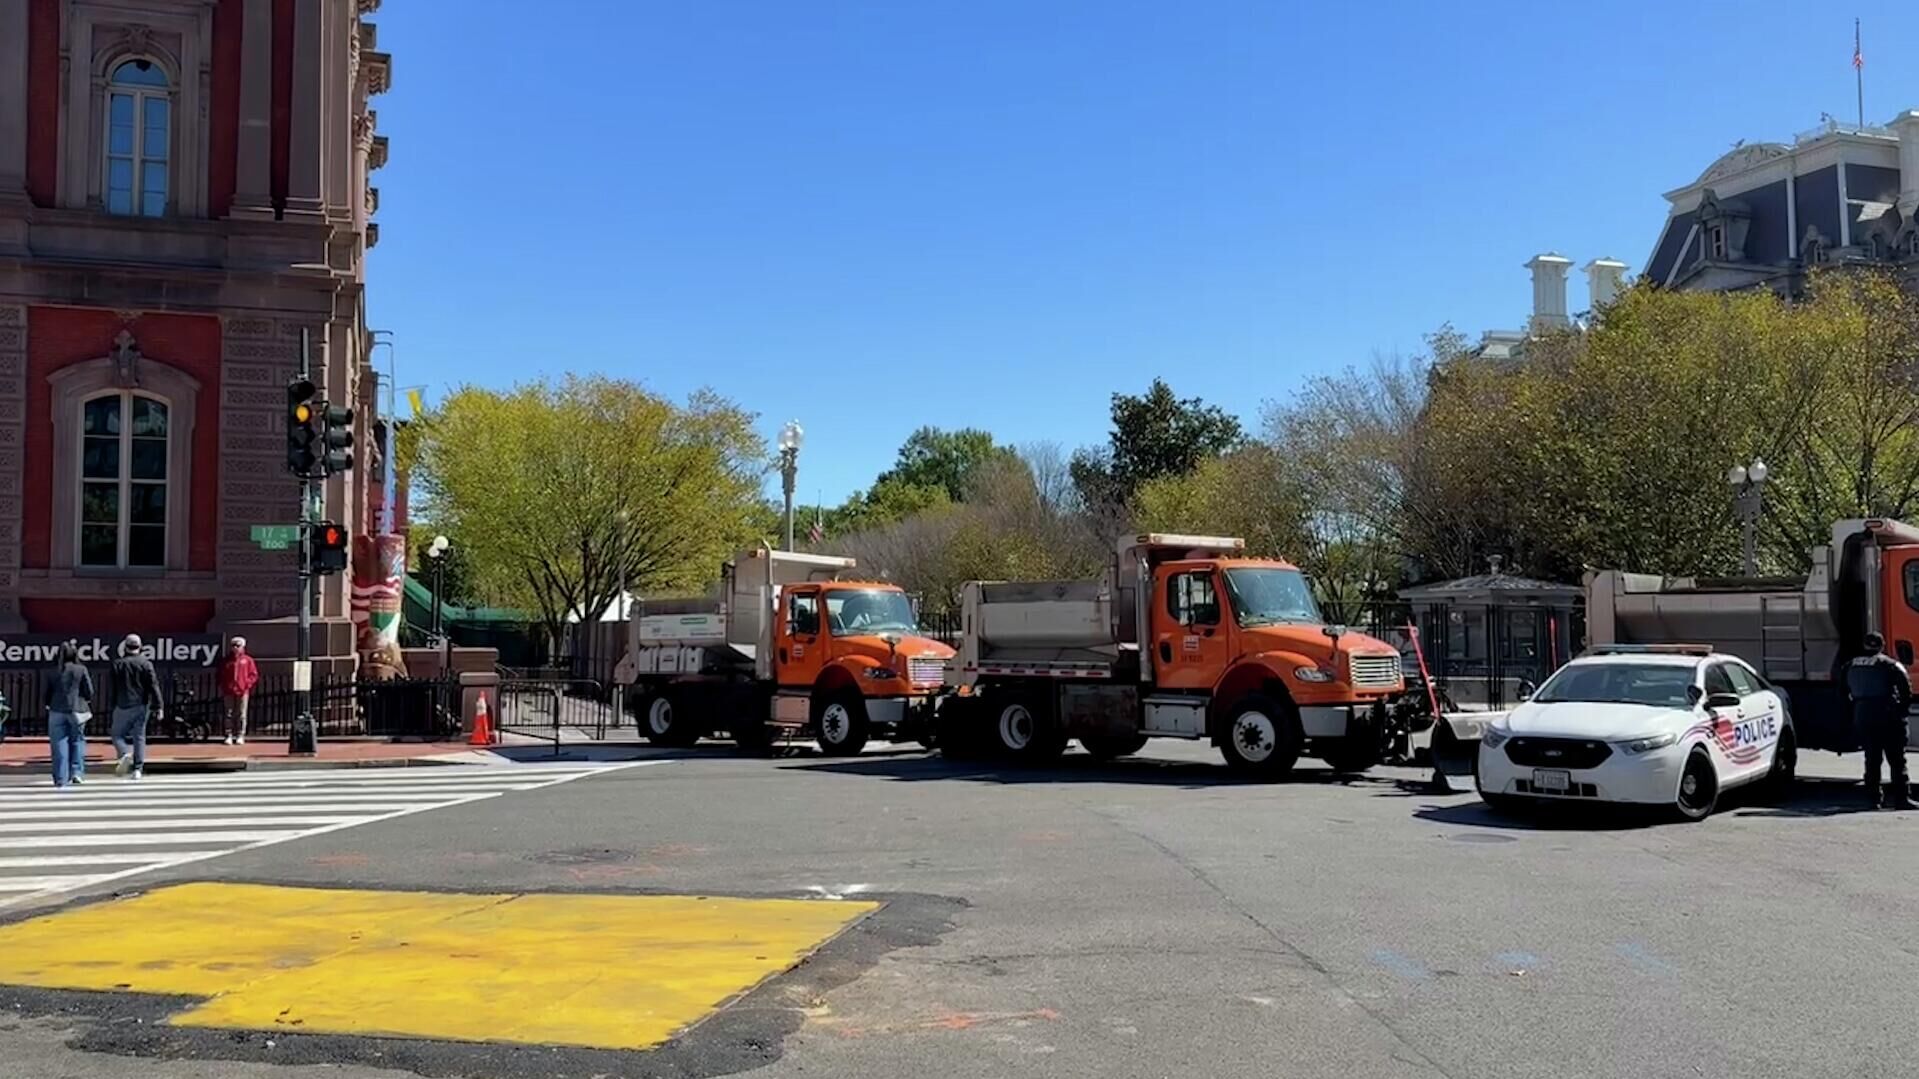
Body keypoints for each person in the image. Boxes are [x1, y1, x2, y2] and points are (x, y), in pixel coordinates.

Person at [1846, 631, 1913, 809]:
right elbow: (1906, 690)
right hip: (1887, 714)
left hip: (1863, 714)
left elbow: (1841, 690)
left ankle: (1873, 799)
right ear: (1882, 645)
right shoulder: (1891, 665)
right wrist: (1901, 711)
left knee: (1872, 759)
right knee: (1897, 760)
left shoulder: (1850, 664)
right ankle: (1901, 799)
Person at [41, 642, 93, 789]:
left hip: (56, 709)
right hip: (77, 709)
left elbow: (47, 693)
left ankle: (60, 778)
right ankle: (76, 772)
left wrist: (48, 704)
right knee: (77, 740)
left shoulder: (53, 671)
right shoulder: (81, 669)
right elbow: (89, 691)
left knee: (58, 744)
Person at [109, 634, 162, 780]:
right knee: (139, 736)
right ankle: (138, 769)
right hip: (141, 704)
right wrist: (159, 706)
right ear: (140, 647)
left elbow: (112, 688)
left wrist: (112, 704)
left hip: (122, 704)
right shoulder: (145, 663)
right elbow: (153, 685)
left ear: (125, 646)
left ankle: (124, 752)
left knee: (117, 734)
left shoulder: (117, 664)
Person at [219, 636, 259, 746]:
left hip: (243, 691)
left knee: (241, 714)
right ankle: (228, 735)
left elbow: (253, 675)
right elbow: (220, 675)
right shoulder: (226, 661)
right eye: (233, 645)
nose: (235, 648)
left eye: (238, 645)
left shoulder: (247, 660)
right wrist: (224, 686)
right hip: (229, 691)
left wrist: (247, 684)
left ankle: (240, 735)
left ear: (243, 647)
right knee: (229, 713)